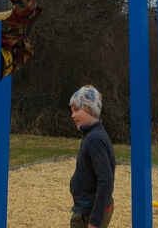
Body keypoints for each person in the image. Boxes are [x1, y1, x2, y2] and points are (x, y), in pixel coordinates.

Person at [68, 85, 116, 228]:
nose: (72, 115)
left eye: (77, 110)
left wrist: (94, 221)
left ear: (90, 110)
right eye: (72, 111)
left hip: (89, 212)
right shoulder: (94, 134)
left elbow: (105, 180)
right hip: (87, 208)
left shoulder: (94, 140)